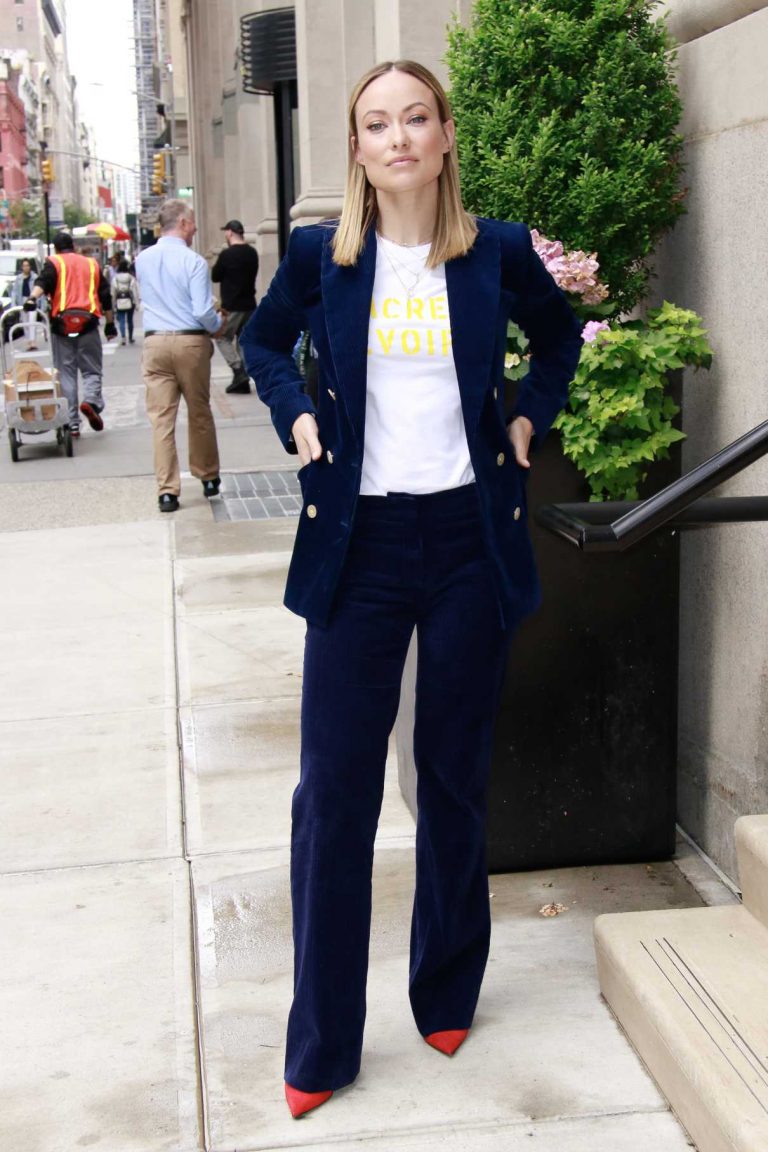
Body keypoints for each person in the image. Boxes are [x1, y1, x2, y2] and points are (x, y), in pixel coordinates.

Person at [240, 60, 583, 1118]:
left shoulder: (496, 252)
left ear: (443, 138)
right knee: (333, 794)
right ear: (357, 148)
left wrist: (528, 416)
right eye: (377, 124)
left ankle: (446, 989)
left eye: (416, 119)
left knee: (452, 776)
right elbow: (262, 341)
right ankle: (320, 1043)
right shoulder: (323, 258)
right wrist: (297, 414)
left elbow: (560, 335)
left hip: (469, 540)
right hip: (363, 545)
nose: (397, 139)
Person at [135, 199, 225, 513]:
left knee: (161, 420)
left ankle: (167, 491)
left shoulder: (142, 260)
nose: (196, 228)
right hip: (190, 342)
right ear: (183, 223)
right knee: (199, 410)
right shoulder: (194, 262)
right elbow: (202, 310)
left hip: (155, 342)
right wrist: (217, 325)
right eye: (193, 222)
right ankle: (208, 475)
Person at [26, 232, 117, 437]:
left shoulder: (54, 262)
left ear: (56, 248)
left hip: (62, 325)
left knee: (66, 373)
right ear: (73, 246)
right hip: (88, 324)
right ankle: (91, 401)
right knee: (91, 370)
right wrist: (110, 324)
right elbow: (105, 296)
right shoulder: (91, 264)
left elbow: (43, 282)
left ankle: (72, 423)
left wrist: (32, 298)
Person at [210, 219, 259, 393]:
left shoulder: (227, 255)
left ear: (230, 232)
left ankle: (238, 370)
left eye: (226, 231)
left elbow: (215, 276)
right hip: (250, 304)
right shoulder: (252, 253)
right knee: (243, 340)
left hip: (232, 306)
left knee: (221, 337)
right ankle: (242, 379)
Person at [11, 259, 40, 350]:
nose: (26, 267)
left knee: (32, 321)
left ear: (30, 267)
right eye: (24, 266)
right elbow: (14, 292)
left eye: (27, 265)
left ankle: (33, 341)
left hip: (32, 300)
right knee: (25, 322)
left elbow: (39, 290)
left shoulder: (34, 277)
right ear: (22, 267)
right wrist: (13, 304)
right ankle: (28, 341)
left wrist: (41, 304)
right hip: (22, 300)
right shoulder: (19, 278)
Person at [111, 258, 140, 345]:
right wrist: (137, 303)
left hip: (119, 301)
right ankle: (130, 337)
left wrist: (113, 305)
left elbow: (113, 292)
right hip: (130, 301)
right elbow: (135, 291)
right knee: (130, 320)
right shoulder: (131, 278)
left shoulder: (115, 278)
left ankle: (123, 337)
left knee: (122, 320)